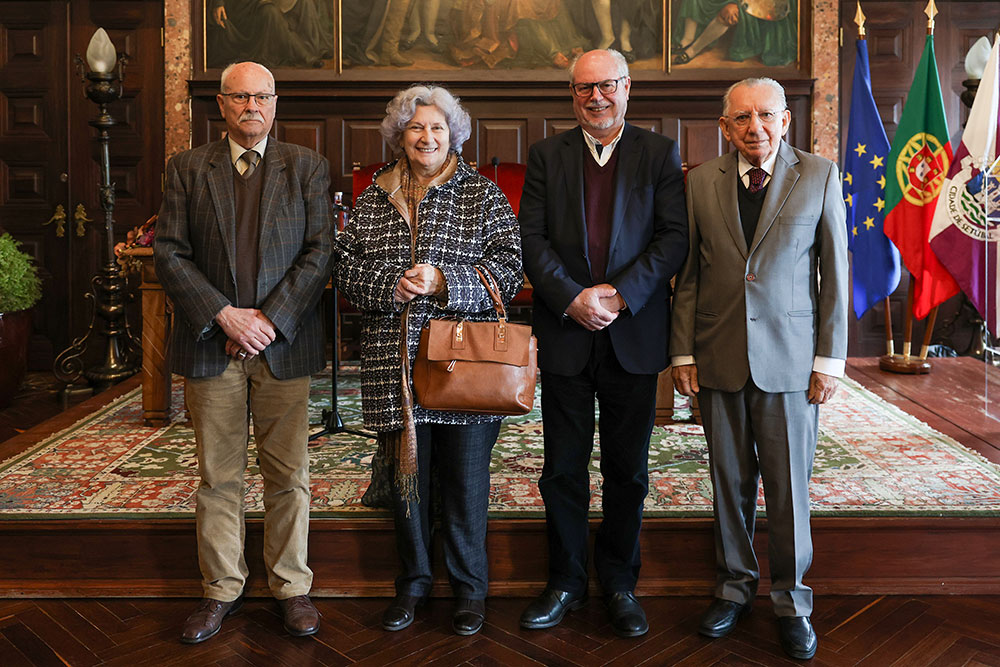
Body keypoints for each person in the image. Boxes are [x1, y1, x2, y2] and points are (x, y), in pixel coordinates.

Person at [332, 84, 522, 636]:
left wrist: (444, 281)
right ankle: (412, 584)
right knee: (408, 486)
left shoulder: (482, 196)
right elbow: (345, 271)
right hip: (395, 365)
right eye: (416, 127)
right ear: (399, 135)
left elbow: (509, 271)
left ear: (454, 134)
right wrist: (389, 287)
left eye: (438, 127)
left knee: (465, 484)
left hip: (463, 370)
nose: (427, 136)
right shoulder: (373, 197)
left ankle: (469, 589)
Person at [670, 77, 848, 660]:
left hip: (792, 364)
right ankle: (733, 588)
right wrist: (682, 352)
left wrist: (828, 362)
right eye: (742, 118)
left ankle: (793, 600)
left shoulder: (818, 176)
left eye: (766, 115)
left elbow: (835, 280)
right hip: (718, 356)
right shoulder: (699, 183)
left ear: (786, 120)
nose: (755, 128)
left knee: (788, 488)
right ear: (725, 127)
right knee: (729, 483)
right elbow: (690, 276)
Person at [154, 61, 333, 644]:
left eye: (262, 96)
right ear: (222, 104)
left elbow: (318, 252)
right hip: (214, 345)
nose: (251, 106)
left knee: (289, 474)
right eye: (240, 97)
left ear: (275, 103)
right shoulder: (186, 168)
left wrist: (268, 320)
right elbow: (170, 254)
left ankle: (291, 587)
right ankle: (221, 590)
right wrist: (224, 314)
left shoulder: (306, 166)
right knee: (218, 476)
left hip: (283, 344)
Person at [518, 48, 688, 638]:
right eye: (584, 88)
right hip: (565, 333)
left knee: (627, 470)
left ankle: (619, 582)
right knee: (561, 469)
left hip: (632, 335)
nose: (596, 97)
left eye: (606, 86)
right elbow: (531, 240)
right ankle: (564, 580)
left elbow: (672, 239)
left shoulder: (659, 152)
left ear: (626, 87)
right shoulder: (546, 155)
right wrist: (573, 298)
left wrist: (617, 295)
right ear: (573, 94)